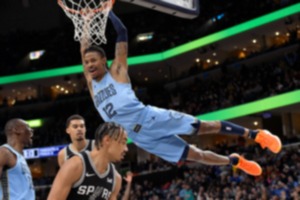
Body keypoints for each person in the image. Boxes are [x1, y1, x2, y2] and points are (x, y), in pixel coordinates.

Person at [79, 8, 282, 176]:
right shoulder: (91, 84)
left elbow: (122, 32)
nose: (89, 64)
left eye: (93, 60)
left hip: (150, 118)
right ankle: (235, 161)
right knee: (196, 156)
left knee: (205, 127)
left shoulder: (116, 71)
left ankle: (257, 135)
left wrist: (108, 12)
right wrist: (86, 22)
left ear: (103, 62)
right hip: (139, 137)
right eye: (87, 62)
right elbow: (84, 48)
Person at [47, 122, 128, 200]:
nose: (126, 149)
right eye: (123, 142)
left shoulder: (116, 179)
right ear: (107, 140)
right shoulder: (75, 165)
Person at [0, 118, 35, 199]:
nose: (31, 130)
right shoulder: (4, 152)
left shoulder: (20, 156)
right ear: (16, 130)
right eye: (27, 126)